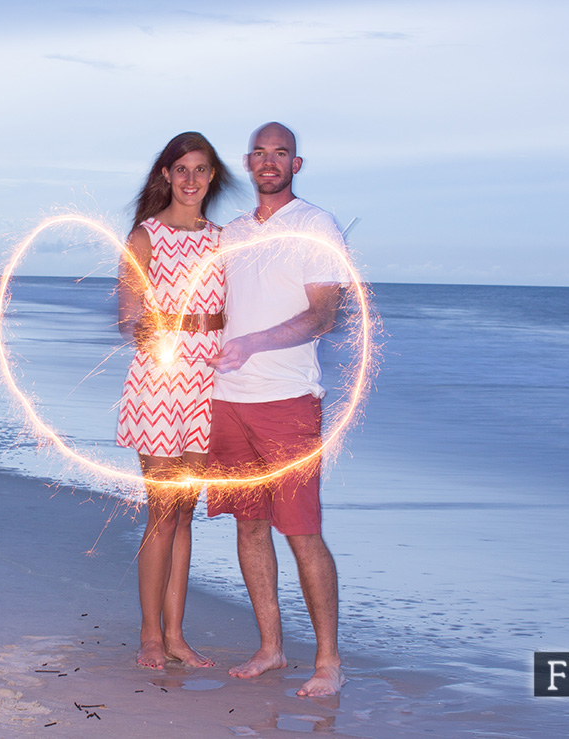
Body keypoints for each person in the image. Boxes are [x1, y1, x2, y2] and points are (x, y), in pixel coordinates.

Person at [206, 122, 349, 696]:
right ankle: (269, 648)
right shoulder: (231, 233)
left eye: (281, 154)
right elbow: (212, 305)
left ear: (296, 164)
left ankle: (329, 662)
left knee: (302, 531)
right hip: (226, 401)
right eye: (260, 154)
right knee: (248, 525)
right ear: (248, 162)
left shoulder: (316, 226)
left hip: (287, 401)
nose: (269, 162)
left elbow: (323, 315)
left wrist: (254, 343)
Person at [116, 131, 233, 670]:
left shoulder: (224, 240)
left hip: (208, 386)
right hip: (160, 385)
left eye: (201, 170)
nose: (190, 180)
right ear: (165, 174)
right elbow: (128, 311)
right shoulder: (145, 237)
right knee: (161, 513)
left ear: (213, 177)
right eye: (180, 169)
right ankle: (148, 634)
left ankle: (177, 635)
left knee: (185, 516)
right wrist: (143, 329)